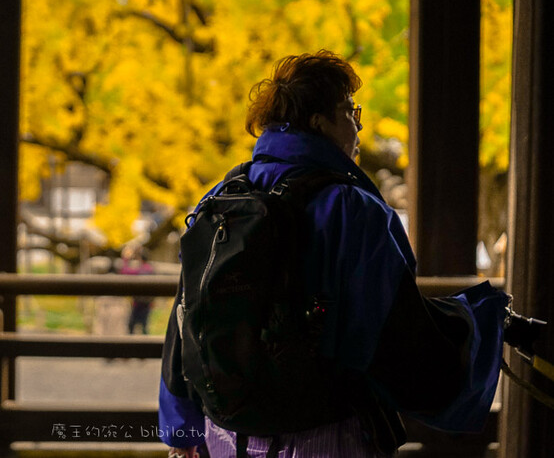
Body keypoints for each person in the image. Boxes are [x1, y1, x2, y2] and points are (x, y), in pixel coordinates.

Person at [159, 50, 509, 457]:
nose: (358, 128)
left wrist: (181, 430)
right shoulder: (351, 209)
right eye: (350, 111)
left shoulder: (221, 199)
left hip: (223, 435)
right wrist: (482, 323)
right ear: (318, 122)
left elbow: (186, 318)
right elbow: (395, 334)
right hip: (322, 436)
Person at [121, 248, 155, 334]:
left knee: (131, 326)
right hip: (147, 303)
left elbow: (125, 271)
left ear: (140, 258)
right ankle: (146, 345)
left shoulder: (139, 271)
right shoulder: (151, 270)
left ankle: (130, 346)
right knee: (144, 326)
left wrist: (125, 259)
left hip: (137, 303)